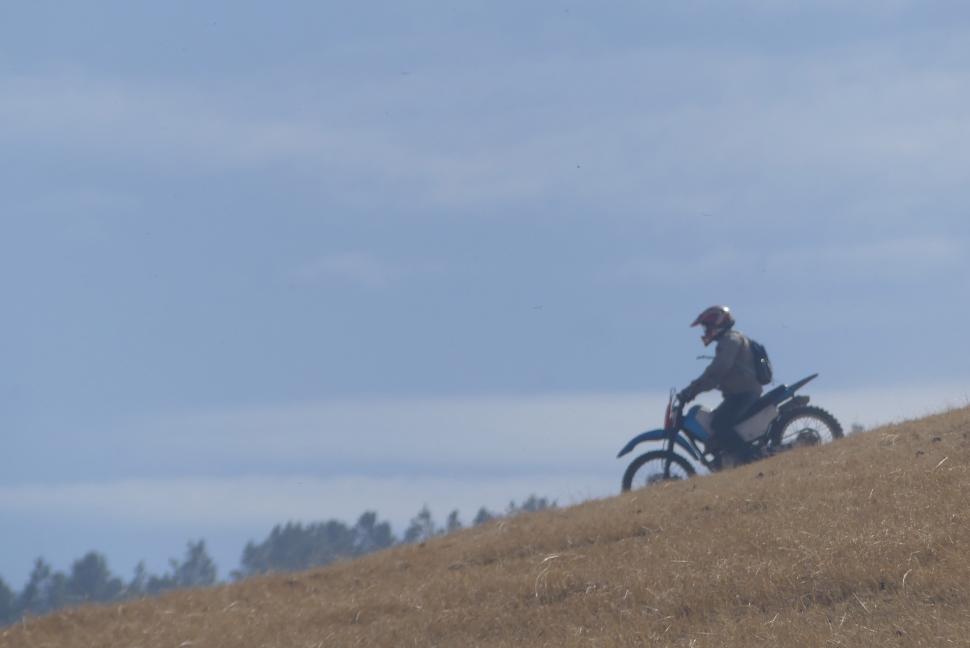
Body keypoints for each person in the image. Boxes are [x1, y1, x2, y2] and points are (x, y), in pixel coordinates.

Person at [676, 305, 763, 464]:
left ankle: (748, 458)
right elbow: (715, 374)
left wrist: (692, 390)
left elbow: (718, 370)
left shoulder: (730, 340)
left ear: (717, 324)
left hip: (744, 393)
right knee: (715, 422)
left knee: (720, 424)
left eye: (706, 326)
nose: (705, 331)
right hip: (738, 394)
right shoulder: (729, 339)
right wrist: (695, 388)